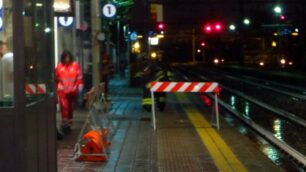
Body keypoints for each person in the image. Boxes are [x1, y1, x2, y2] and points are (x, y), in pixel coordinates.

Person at [55, 50, 83, 135]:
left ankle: (69, 124)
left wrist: (78, 87)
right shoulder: (59, 67)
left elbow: (79, 77)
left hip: (72, 91)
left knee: (70, 108)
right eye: (65, 58)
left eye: (68, 57)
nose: (67, 59)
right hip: (62, 91)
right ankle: (65, 124)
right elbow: (56, 78)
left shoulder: (75, 66)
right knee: (64, 108)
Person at [0, 41, 14, 106]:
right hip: (12, 95)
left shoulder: (3, 59)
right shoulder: (10, 57)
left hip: (3, 97)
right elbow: (14, 73)